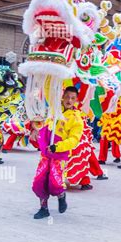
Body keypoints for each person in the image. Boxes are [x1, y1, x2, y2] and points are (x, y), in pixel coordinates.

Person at [32, 86, 84, 219]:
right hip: (45, 152)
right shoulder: (54, 109)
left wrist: (57, 147)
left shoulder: (76, 119)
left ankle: (61, 195)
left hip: (59, 154)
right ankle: (43, 208)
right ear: (62, 96)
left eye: (72, 98)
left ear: (76, 100)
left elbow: (74, 140)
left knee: (55, 182)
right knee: (39, 181)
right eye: (67, 96)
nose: (69, 100)